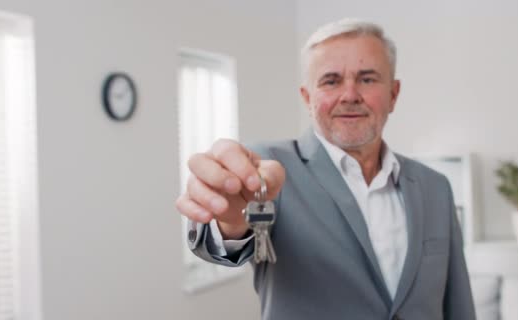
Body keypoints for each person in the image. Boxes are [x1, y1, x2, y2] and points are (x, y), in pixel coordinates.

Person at [175, 18, 476, 320]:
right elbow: (229, 236)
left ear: (393, 94)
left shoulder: (436, 187)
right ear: (307, 98)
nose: (349, 95)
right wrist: (226, 215)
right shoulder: (269, 169)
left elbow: (458, 305)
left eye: (367, 79)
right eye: (331, 81)